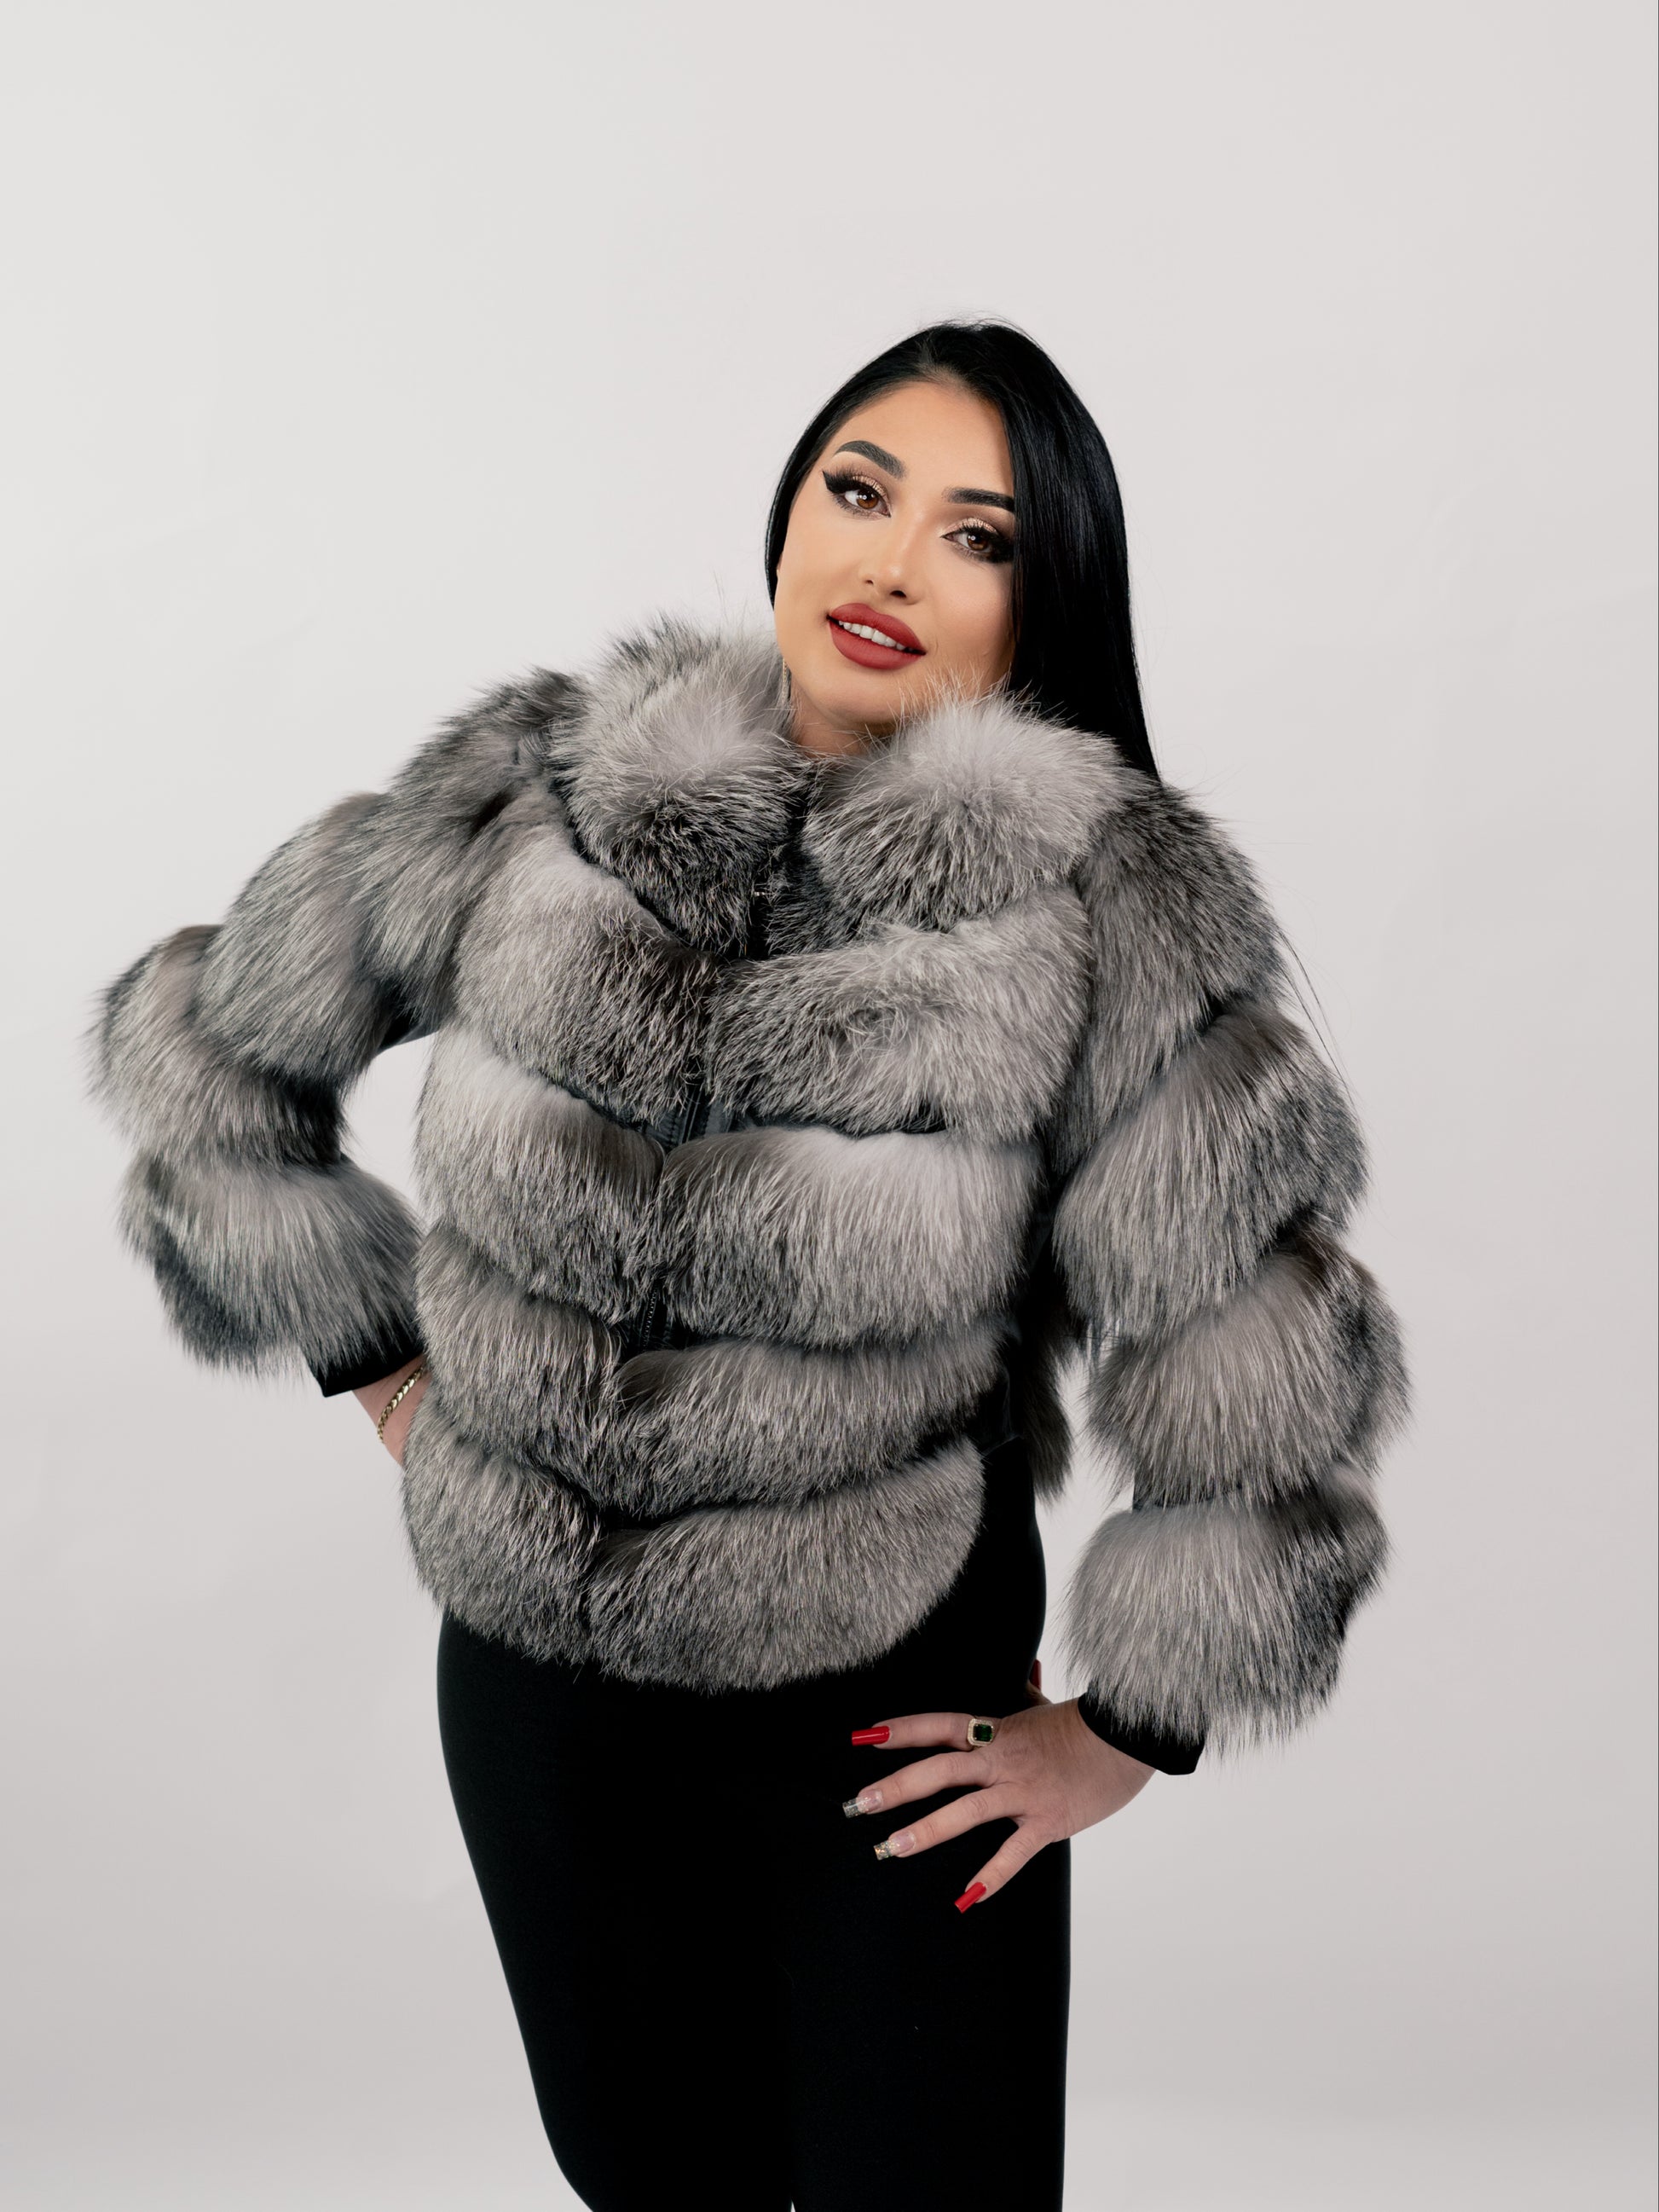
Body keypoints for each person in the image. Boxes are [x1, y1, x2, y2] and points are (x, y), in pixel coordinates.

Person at [87, 319, 1407, 2210]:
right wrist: (376, 1359)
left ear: (1043, 596)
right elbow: (208, 1053)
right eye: (859, 490)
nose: (888, 561)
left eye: (975, 534)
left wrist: (1130, 1730)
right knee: (654, 2185)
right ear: (790, 510)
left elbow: (1259, 1354)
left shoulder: (1107, 899)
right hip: (541, 1702)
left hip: (885, 1724)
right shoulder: (551, 785)